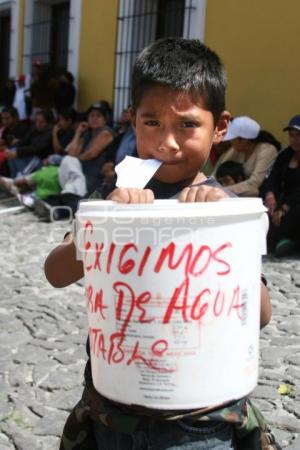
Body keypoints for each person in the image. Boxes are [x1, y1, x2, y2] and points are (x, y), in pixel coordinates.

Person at [44, 38, 276, 450]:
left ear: (220, 126)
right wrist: (102, 224)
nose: (167, 143)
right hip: (115, 408)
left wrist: (223, 226)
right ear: (133, 120)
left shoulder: (229, 210)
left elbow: (257, 315)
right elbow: (56, 272)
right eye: (152, 123)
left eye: (187, 125)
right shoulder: (112, 197)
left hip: (199, 419)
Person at [212, 116, 280, 197]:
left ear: (244, 140)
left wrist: (222, 190)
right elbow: (215, 173)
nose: (230, 142)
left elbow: (254, 183)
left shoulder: (267, 150)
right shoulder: (236, 149)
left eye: (233, 139)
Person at [264, 114, 300, 256]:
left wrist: (284, 208)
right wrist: (270, 194)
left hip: (295, 204)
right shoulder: (285, 155)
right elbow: (272, 176)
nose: (294, 139)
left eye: (298, 135)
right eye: (292, 135)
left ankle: (292, 241)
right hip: (283, 201)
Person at [66, 102, 114, 194]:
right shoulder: (88, 134)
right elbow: (71, 152)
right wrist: (78, 132)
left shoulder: (106, 132)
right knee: (66, 161)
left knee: (67, 162)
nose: (94, 119)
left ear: (104, 120)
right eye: (92, 116)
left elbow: (90, 154)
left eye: (98, 116)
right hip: (81, 173)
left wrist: (75, 159)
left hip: (95, 177)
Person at [5, 109, 54, 178]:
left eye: (41, 122)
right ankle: (14, 177)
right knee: (12, 151)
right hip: (30, 155)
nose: (38, 124)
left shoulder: (50, 133)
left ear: (49, 123)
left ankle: (21, 178)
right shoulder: (34, 129)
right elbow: (24, 141)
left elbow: (36, 148)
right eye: (36, 121)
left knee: (17, 154)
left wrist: (17, 152)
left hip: (40, 159)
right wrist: (10, 149)